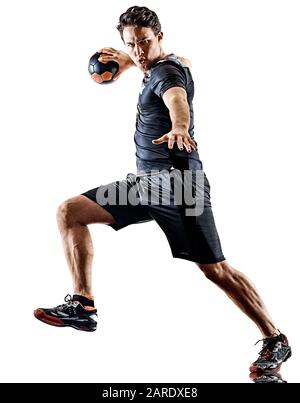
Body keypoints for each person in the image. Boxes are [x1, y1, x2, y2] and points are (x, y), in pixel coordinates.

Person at [34, 6, 292, 373]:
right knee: (70, 211)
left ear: (160, 37)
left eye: (144, 42)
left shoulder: (167, 74)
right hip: (144, 186)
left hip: (180, 187)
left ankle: (274, 338)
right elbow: (158, 63)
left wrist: (180, 127)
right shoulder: (165, 62)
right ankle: (83, 306)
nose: (138, 50)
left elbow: (176, 99)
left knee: (215, 269)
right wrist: (128, 61)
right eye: (131, 43)